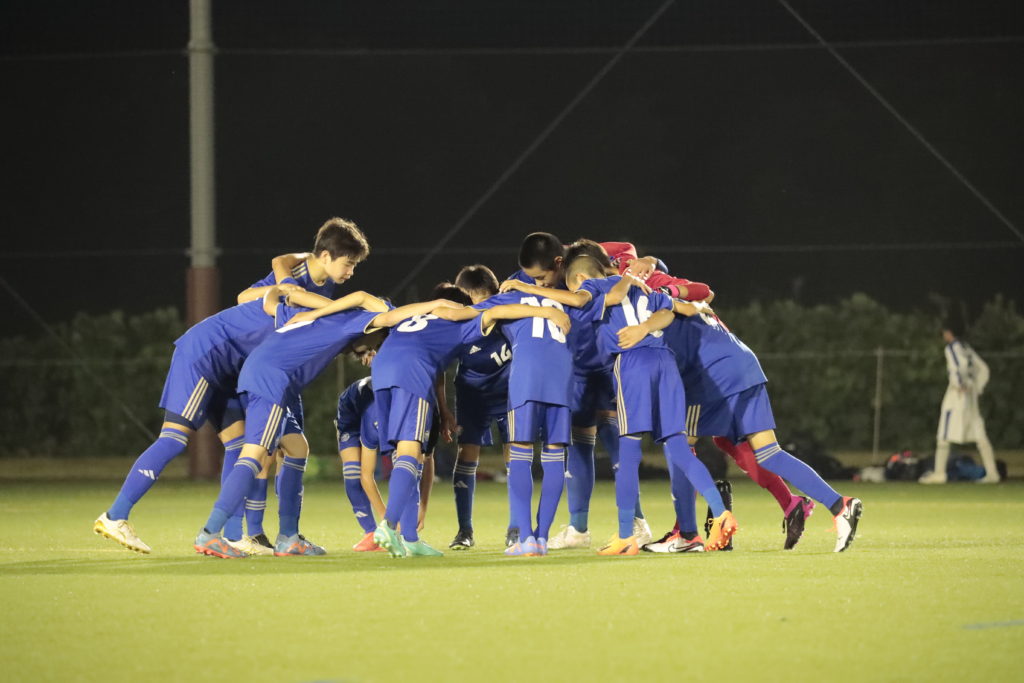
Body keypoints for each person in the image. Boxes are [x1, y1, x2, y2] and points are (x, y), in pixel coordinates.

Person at [192, 290, 446, 558]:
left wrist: (303, 305)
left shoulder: (329, 320)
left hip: (264, 374)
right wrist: (437, 305)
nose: (374, 350)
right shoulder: (357, 320)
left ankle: (288, 538)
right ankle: (210, 533)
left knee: (297, 448)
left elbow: (281, 305)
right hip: (271, 379)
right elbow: (370, 302)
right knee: (254, 455)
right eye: (379, 341)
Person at [92, 286, 333, 555]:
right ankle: (116, 516)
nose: (349, 272)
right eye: (348, 266)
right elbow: (264, 292)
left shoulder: (300, 310)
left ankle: (232, 536)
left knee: (239, 444)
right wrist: (330, 303)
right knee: (173, 439)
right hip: (204, 357)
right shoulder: (295, 309)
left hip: (226, 372)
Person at [369, 285, 571, 559]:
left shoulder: (416, 315)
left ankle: (411, 539)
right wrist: (545, 311)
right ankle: (389, 525)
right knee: (410, 451)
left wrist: (443, 410)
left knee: (403, 453)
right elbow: (495, 312)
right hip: (412, 370)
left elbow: (389, 322)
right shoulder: (459, 322)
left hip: (382, 368)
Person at [560, 255, 737, 555]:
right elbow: (678, 310)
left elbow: (577, 301)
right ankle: (721, 513)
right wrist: (695, 308)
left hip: (632, 363)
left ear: (580, 279)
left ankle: (625, 536)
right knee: (679, 446)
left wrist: (531, 291)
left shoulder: (594, 288)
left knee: (628, 451)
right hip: (665, 361)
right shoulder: (644, 288)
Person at [657, 303, 864, 552]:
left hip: (714, 376)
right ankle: (839, 505)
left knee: (679, 444)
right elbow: (702, 293)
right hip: (745, 366)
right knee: (765, 452)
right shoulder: (671, 293)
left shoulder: (648, 303)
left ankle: (685, 534)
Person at [446, 265, 512, 550]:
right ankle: (465, 530)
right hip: (472, 395)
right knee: (467, 454)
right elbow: (438, 367)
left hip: (509, 394)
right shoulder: (458, 324)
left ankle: (516, 527)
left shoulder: (510, 315)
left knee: (516, 456)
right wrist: (443, 409)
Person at [919, 324, 999, 484]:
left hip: (958, 395)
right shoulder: (966, 348)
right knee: (979, 432)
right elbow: (983, 369)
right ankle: (992, 473)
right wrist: (977, 387)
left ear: (949, 332)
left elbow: (957, 366)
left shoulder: (952, 348)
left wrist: (960, 384)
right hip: (971, 395)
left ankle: (940, 473)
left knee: (944, 433)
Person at [336, 376, 386, 551]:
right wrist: (387, 518)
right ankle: (371, 532)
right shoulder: (372, 408)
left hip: (370, 415)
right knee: (352, 472)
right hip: (349, 421)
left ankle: (401, 528)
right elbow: (367, 475)